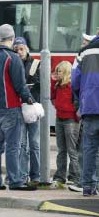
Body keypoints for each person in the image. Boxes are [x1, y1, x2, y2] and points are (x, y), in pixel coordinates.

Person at [0, 24, 36, 191]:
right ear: (12, 38)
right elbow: (20, 85)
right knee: (13, 146)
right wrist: (29, 99)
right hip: (11, 108)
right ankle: (15, 181)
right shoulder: (12, 58)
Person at [72, 34, 99, 196]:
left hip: (89, 106)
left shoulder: (84, 52)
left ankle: (88, 186)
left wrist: (80, 98)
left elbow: (74, 80)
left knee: (89, 148)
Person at [13, 37, 41, 186]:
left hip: (32, 107)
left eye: (21, 48)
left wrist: (29, 89)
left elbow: (41, 85)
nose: (19, 52)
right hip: (18, 108)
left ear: (27, 49)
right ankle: (23, 175)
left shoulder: (36, 63)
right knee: (22, 144)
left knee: (35, 143)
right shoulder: (12, 64)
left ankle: (36, 175)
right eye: (16, 49)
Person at [51, 61, 80, 186]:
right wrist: (53, 81)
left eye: (59, 71)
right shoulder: (57, 85)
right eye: (57, 71)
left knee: (72, 150)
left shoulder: (71, 86)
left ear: (67, 72)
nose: (57, 73)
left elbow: (76, 104)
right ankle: (60, 176)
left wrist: (72, 113)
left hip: (70, 120)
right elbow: (52, 97)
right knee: (61, 150)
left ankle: (75, 176)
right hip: (59, 118)